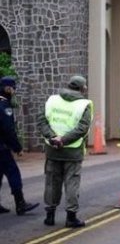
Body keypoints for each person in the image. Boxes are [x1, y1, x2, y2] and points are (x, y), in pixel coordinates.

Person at [37, 75, 92, 228]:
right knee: (72, 183)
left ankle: (50, 216)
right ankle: (71, 217)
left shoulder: (52, 100)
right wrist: (64, 140)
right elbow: (82, 128)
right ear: (83, 88)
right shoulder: (84, 104)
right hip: (72, 152)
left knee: (51, 183)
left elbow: (41, 120)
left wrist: (53, 137)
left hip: (52, 149)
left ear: (67, 85)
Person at [0, 76, 39, 215]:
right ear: (7, 88)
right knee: (13, 173)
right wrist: (18, 148)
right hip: (2, 148)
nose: (14, 91)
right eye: (13, 88)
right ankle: (20, 203)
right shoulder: (4, 106)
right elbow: (8, 130)